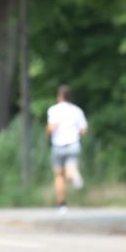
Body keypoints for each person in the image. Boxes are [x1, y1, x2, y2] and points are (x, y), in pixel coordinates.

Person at [46, 84, 88, 213]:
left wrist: (47, 133)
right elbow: (84, 130)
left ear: (59, 96)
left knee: (59, 176)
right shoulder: (77, 110)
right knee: (71, 169)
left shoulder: (53, 110)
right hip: (73, 143)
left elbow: (51, 128)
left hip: (58, 145)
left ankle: (62, 204)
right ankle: (74, 175)